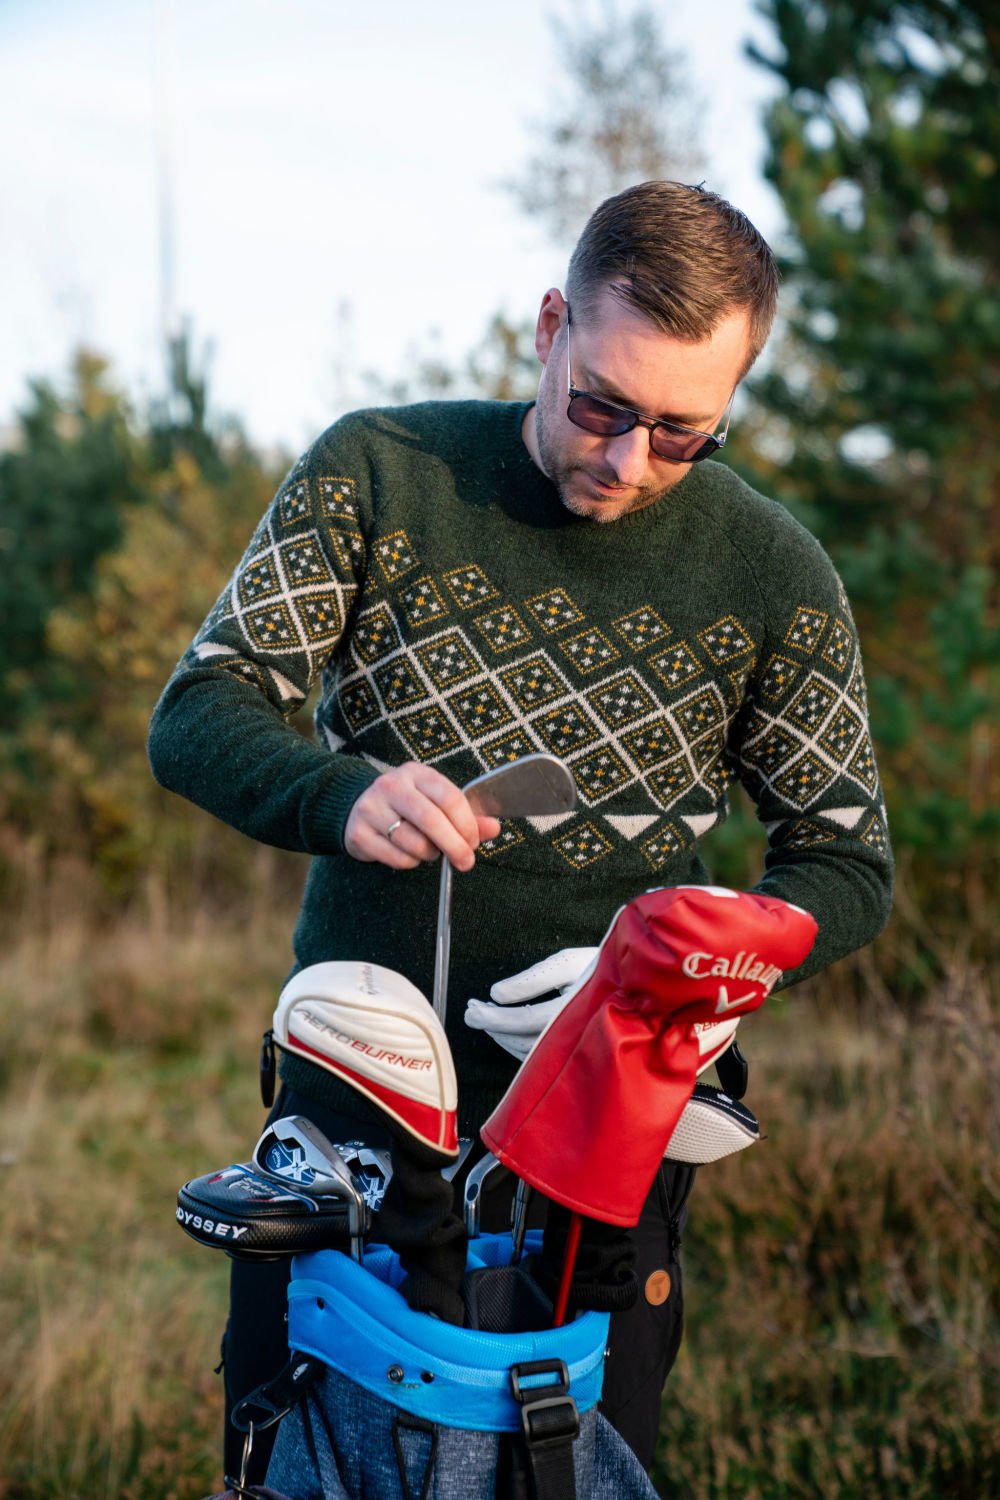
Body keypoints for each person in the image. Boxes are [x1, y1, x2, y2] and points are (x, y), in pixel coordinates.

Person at [148, 180, 893, 1482]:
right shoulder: (383, 472)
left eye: (682, 434)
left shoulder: (774, 571)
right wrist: (345, 794)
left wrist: (701, 978)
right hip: (352, 1123)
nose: (626, 462)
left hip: (614, 1146)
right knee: (319, 1457)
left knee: (572, 1461)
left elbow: (844, 866)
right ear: (550, 324)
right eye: (603, 404)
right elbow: (199, 711)